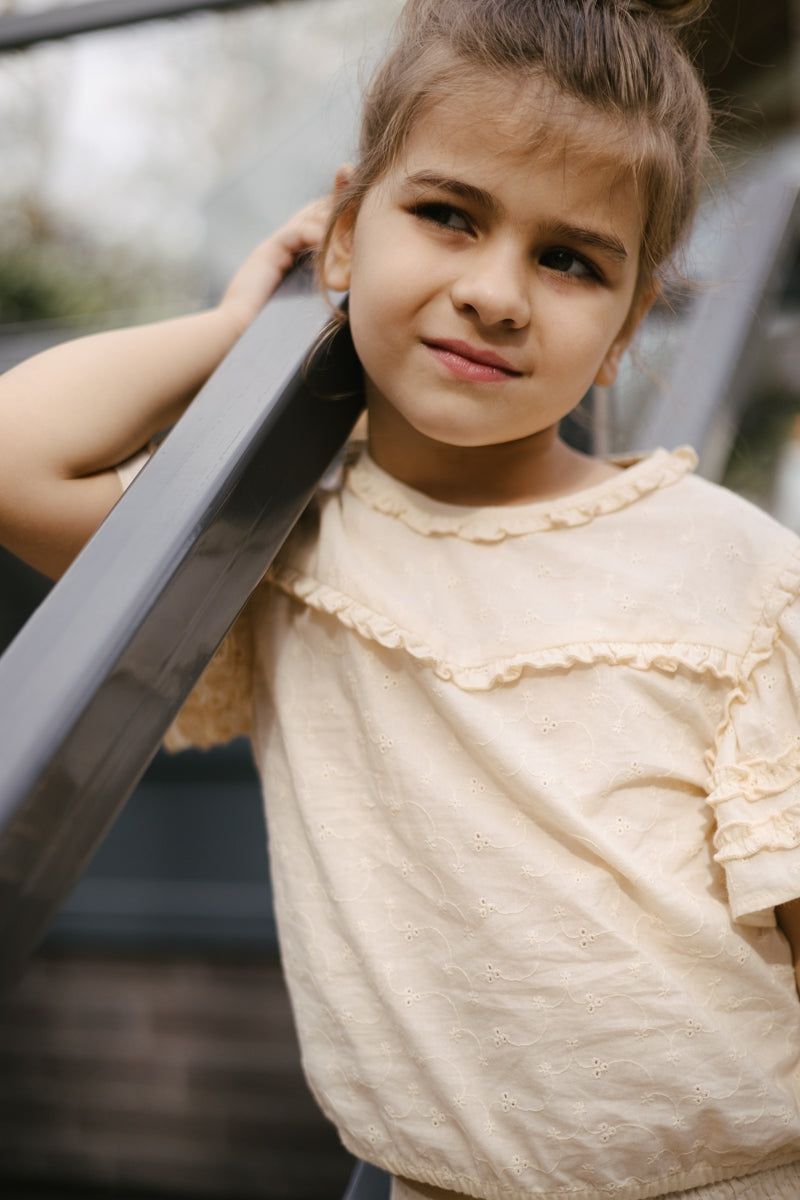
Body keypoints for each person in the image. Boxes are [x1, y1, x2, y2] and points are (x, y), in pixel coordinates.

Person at [1, 1, 800, 1196]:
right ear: (338, 234)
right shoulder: (284, 553)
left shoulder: (739, 573)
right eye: (445, 215)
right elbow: (19, 457)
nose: (494, 292)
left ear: (628, 325)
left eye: (569, 259)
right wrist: (239, 335)